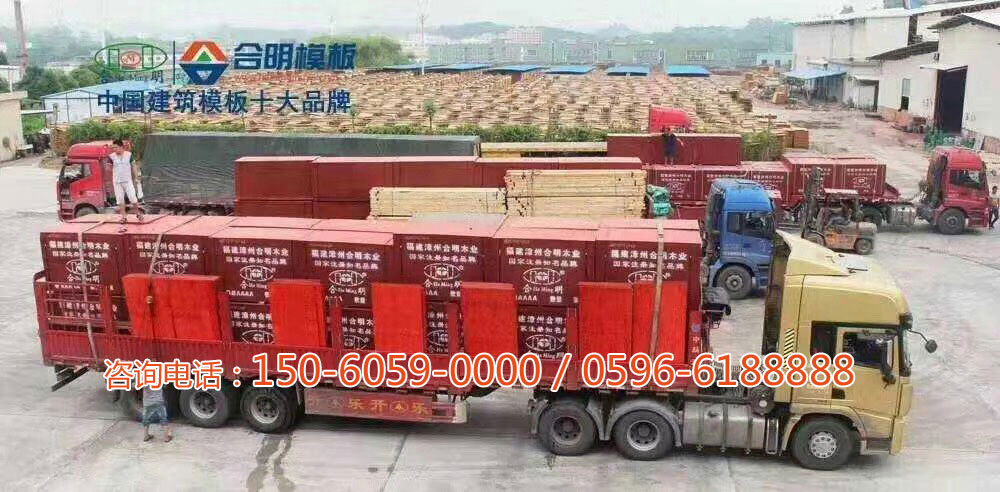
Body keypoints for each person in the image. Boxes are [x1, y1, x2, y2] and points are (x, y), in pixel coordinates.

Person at [110, 139, 142, 230]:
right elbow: (108, 168)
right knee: (120, 200)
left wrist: (136, 177)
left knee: (133, 198)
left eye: (116, 147)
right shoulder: (111, 157)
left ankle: (138, 213)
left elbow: (134, 166)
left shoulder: (129, 155)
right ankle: (124, 217)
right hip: (117, 181)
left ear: (121, 147)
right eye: (113, 148)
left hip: (127, 180)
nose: (114, 149)